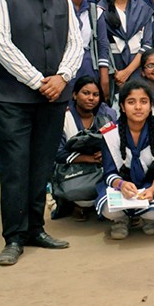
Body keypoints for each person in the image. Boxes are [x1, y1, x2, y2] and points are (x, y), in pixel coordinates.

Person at [0, 0, 84, 266]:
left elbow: (75, 42)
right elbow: (0, 45)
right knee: (15, 169)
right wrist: (39, 81)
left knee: (41, 166)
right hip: (12, 99)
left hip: (53, 97)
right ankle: (14, 237)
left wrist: (64, 76)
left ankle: (36, 229)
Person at [96, 79, 154, 239]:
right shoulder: (110, 133)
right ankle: (120, 219)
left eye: (144, 102)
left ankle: (147, 218)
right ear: (122, 106)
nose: (138, 107)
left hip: (149, 185)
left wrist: (152, 190)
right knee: (109, 208)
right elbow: (109, 173)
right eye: (131, 102)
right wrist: (121, 184)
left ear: (151, 105)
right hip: (121, 186)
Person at [54, 76, 116, 221]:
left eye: (95, 95)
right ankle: (79, 205)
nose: (91, 98)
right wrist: (88, 159)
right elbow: (58, 153)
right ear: (75, 95)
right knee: (78, 191)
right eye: (86, 93)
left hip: (102, 165)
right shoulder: (64, 118)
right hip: (74, 168)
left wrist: (105, 154)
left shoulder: (106, 116)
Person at [101, 0, 154, 102]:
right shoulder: (100, 9)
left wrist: (128, 71)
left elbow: (147, 44)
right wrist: (117, 73)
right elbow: (101, 46)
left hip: (137, 67)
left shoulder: (143, 8)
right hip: (112, 70)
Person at [66, 0, 110, 94]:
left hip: (88, 65)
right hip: (63, 66)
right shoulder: (57, 7)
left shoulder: (95, 11)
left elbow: (103, 45)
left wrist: (104, 77)